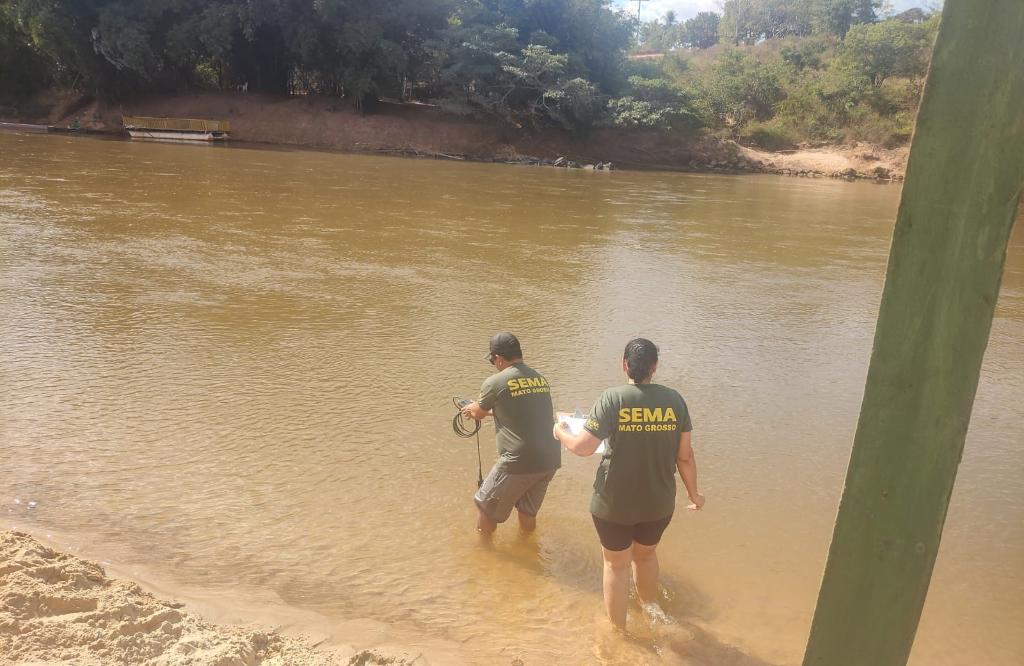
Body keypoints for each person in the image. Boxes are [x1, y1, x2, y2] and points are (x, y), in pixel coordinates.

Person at [553, 338, 705, 629]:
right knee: (645, 557)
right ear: (654, 367)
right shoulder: (675, 400)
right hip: (658, 504)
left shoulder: (612, 399)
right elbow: (685, 457)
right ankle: (652, 612)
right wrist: (695, 494)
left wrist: (560, 432)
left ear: (624, 365)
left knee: (615, 564)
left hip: (613, 504)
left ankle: (618, 634)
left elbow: (584, 448)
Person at [461, 332, 561, 535]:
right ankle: (528, 549)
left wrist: (471, 408)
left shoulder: (494, 382)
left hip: (517, 461)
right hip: (549, 459)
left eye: (492, 360)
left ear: (498, 358)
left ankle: (484, 555)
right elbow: (521, 413)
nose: (493, 364)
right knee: (527, 511)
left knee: (485, 506)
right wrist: (489, 411)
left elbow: (478, 413)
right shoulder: (540, 378)